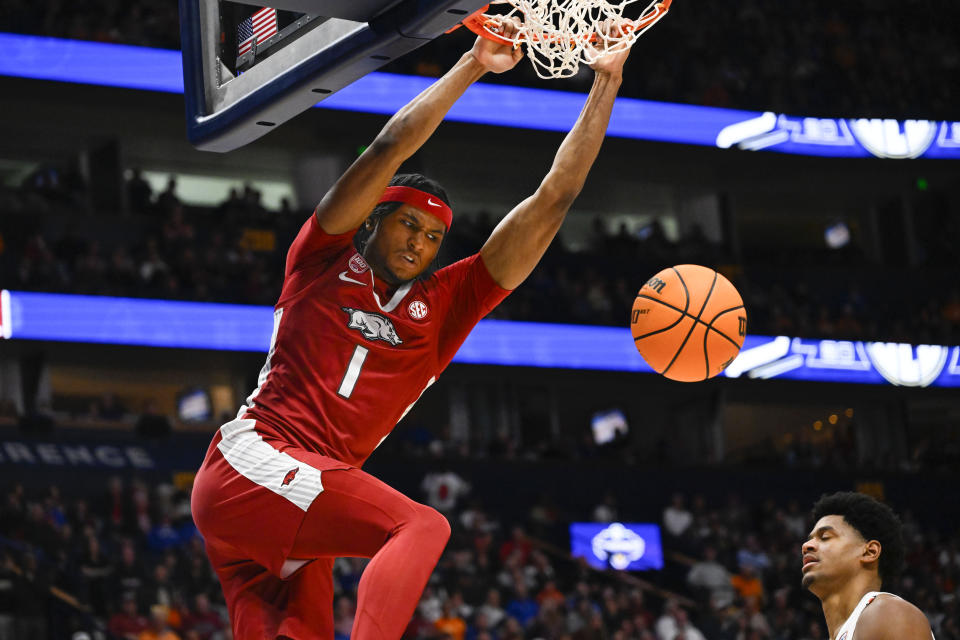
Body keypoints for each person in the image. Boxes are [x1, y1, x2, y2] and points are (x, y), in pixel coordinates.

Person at [190, 17, 635, 640]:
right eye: (407, 225)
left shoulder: (449, 305)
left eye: (433, 238)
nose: (419, 242)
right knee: (422, 526)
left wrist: (605, 82)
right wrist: (476, 63)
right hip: (255, 462)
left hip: (298, 506)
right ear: (375, 221)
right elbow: (389, 147)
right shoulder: (320, 259)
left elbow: (554, 197)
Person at [801, 491, 934, 640]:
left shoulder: (888, 612)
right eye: (810, 539)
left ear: (870, 552)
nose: (806, 545)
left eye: (825, 537)